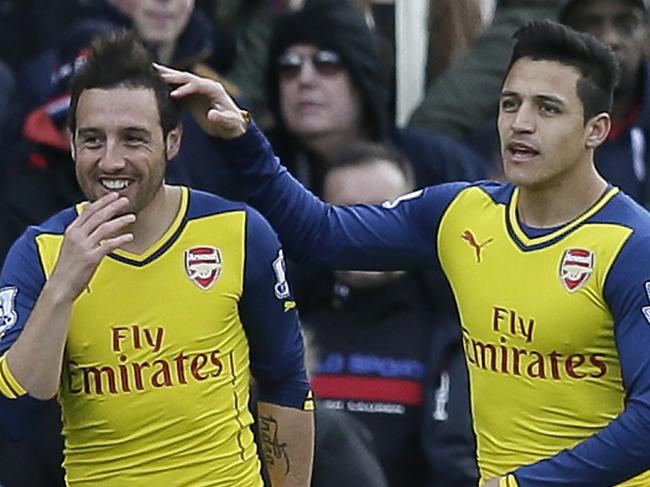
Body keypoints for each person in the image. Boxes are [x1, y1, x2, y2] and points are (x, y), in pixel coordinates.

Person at [184, 19, 650, 486]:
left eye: (548, 109)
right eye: (510, 104)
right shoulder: (460, 212)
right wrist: (243, 142)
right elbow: (319, 232)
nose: (520, 124)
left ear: (596, 130)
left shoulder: (631, 244)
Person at [0, 31, 314, 486]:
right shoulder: (41, 252)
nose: (110, 161)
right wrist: (63, 287)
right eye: (92, 139)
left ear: (172, 142)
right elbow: (15, 414)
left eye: (133, 139)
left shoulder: (239, 233)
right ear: (70, 145)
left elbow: (285, 383)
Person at [305, 142, 477, 486]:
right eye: (349, 213)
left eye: (384, 212)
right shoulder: (285, 321)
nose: (368, 228)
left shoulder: (457, 328)